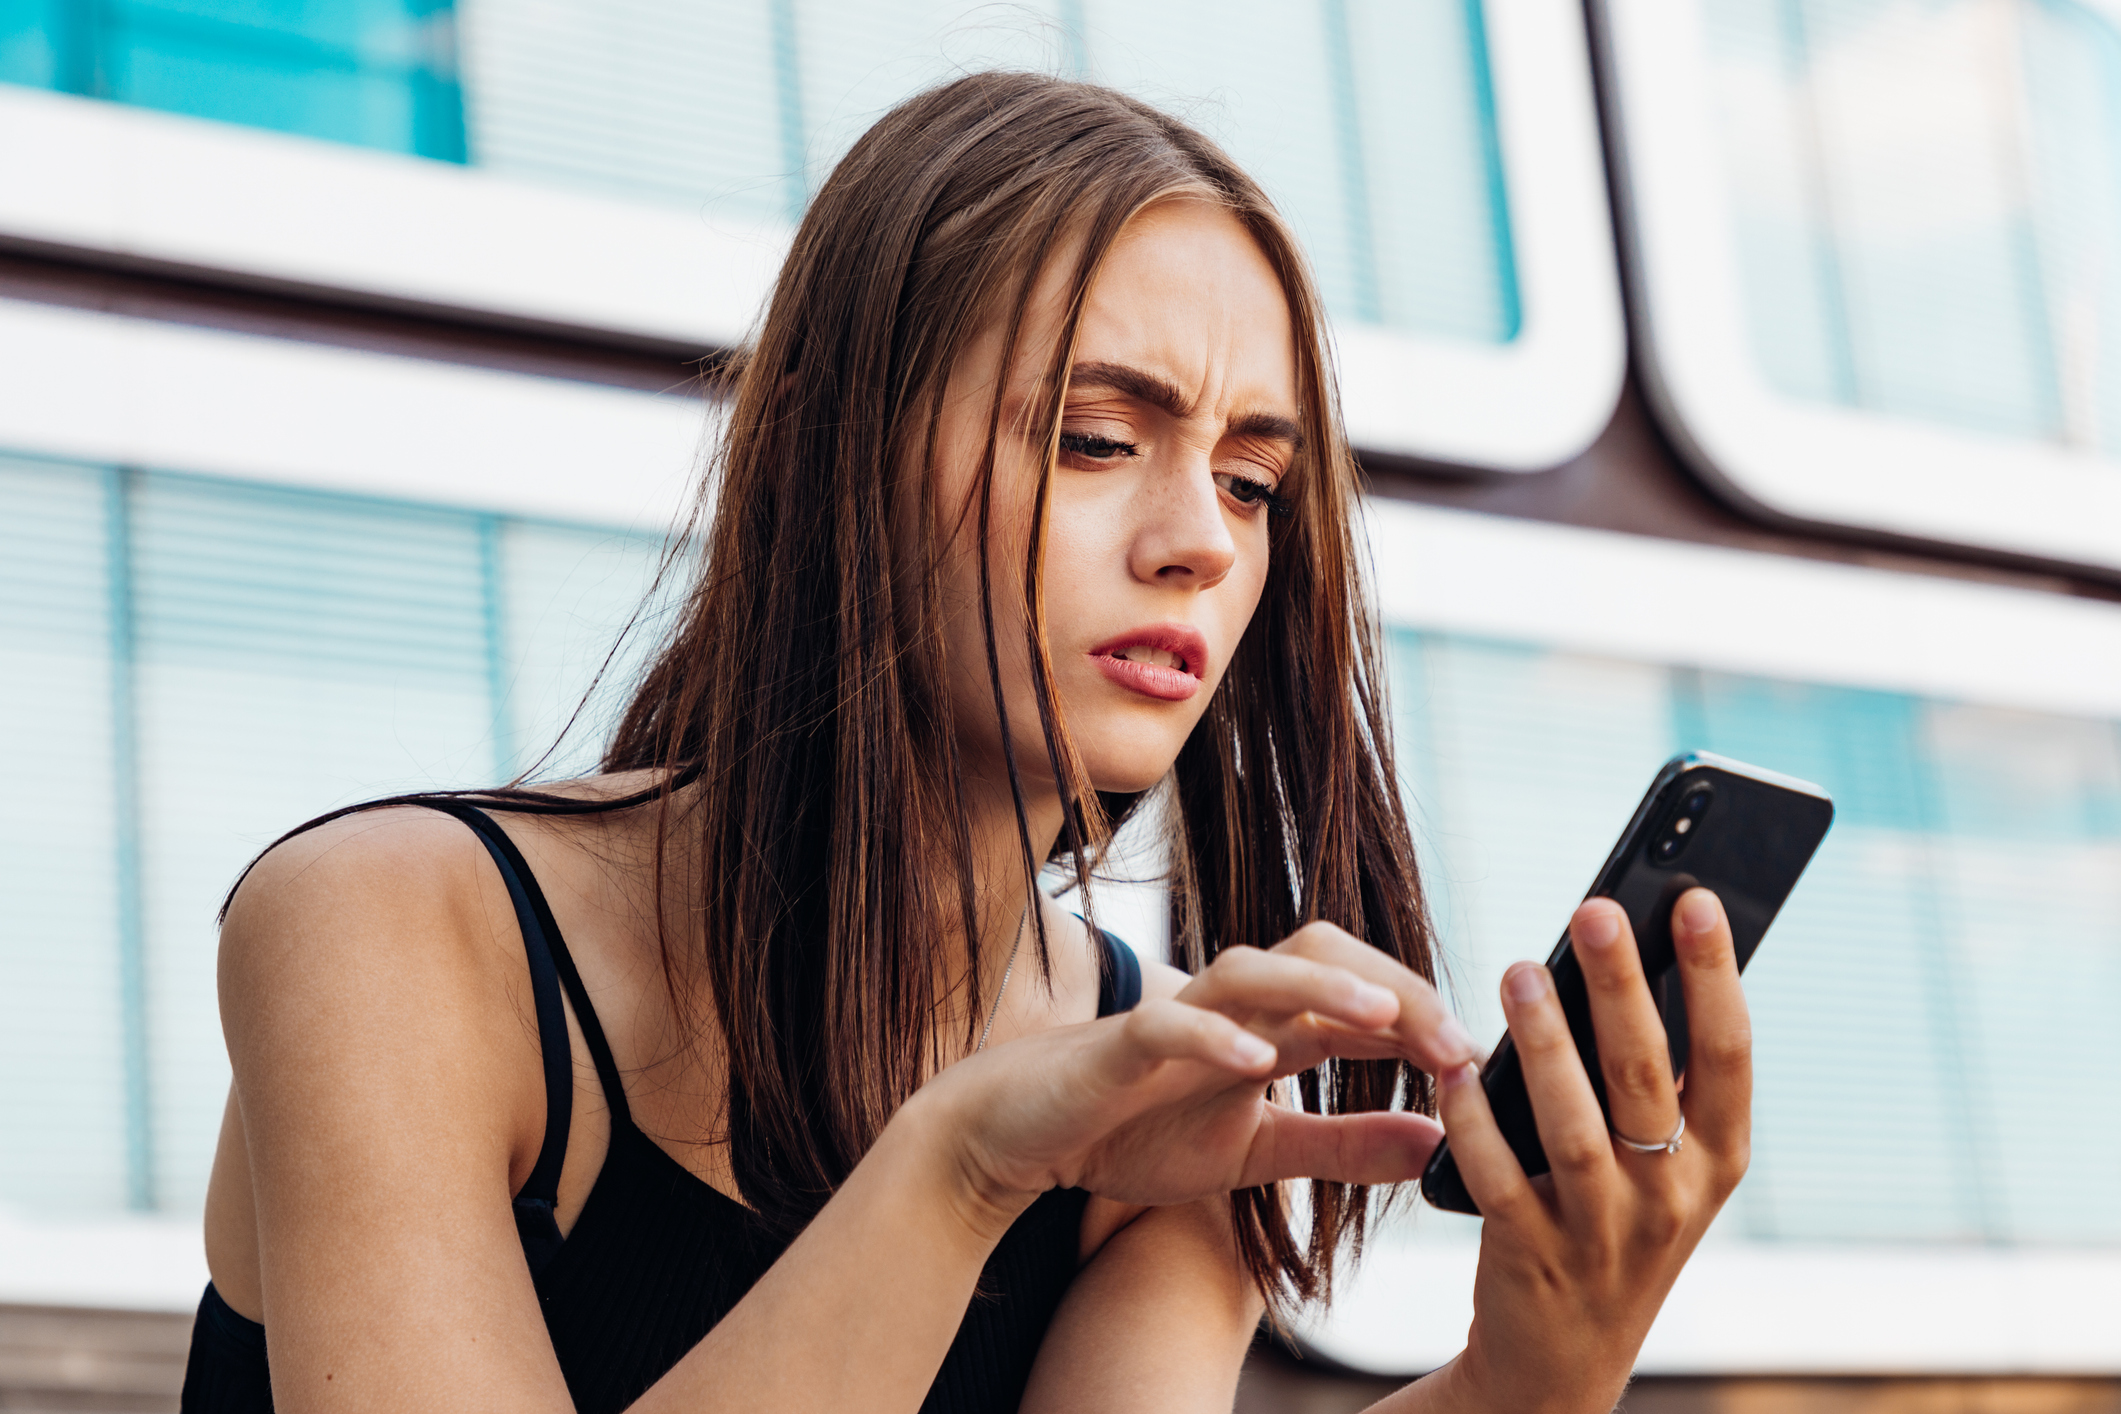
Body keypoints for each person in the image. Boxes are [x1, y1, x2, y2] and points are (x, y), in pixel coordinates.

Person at [182, 71, 1749, 1414]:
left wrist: (1521, 1383)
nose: (1198, 538)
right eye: (1093, 438)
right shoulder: (399, 925)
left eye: (1253, 481)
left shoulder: (1166, 1084)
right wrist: (956, 1174)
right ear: (813, 449)